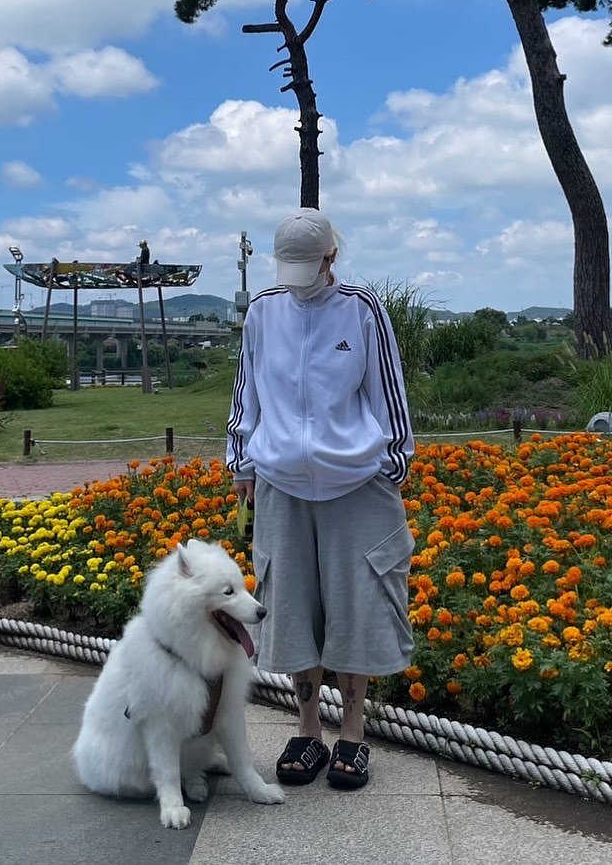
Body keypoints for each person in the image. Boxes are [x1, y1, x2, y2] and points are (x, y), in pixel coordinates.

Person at [226, 208, 415, 791]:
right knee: (290, 605)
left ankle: (353, 735)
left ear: (332, 257)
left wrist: (393, 462)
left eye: (309, 264)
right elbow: (247, 390)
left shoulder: (361, 309)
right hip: (283, 480)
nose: (299, 275)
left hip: (356, 481)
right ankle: (307, 729)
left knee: (360, 602)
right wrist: (242, 461)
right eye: (290, 266)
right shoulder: (263, 310)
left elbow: (387, 391)